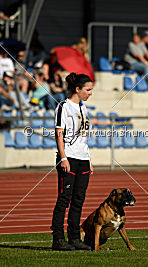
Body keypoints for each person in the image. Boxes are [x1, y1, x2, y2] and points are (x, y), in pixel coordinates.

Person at [51, 72, 94, 251]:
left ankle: (74, 238)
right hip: (68, 158)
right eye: (88, 89)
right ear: (77, 89)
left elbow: (83, 137)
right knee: (64, 199)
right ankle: (58, 240)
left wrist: (89, 158)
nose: (90, 93)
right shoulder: (64, 106)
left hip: (83, 159)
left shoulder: (83, 108)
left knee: (79, 200)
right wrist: (63, 157)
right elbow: (59, 133)